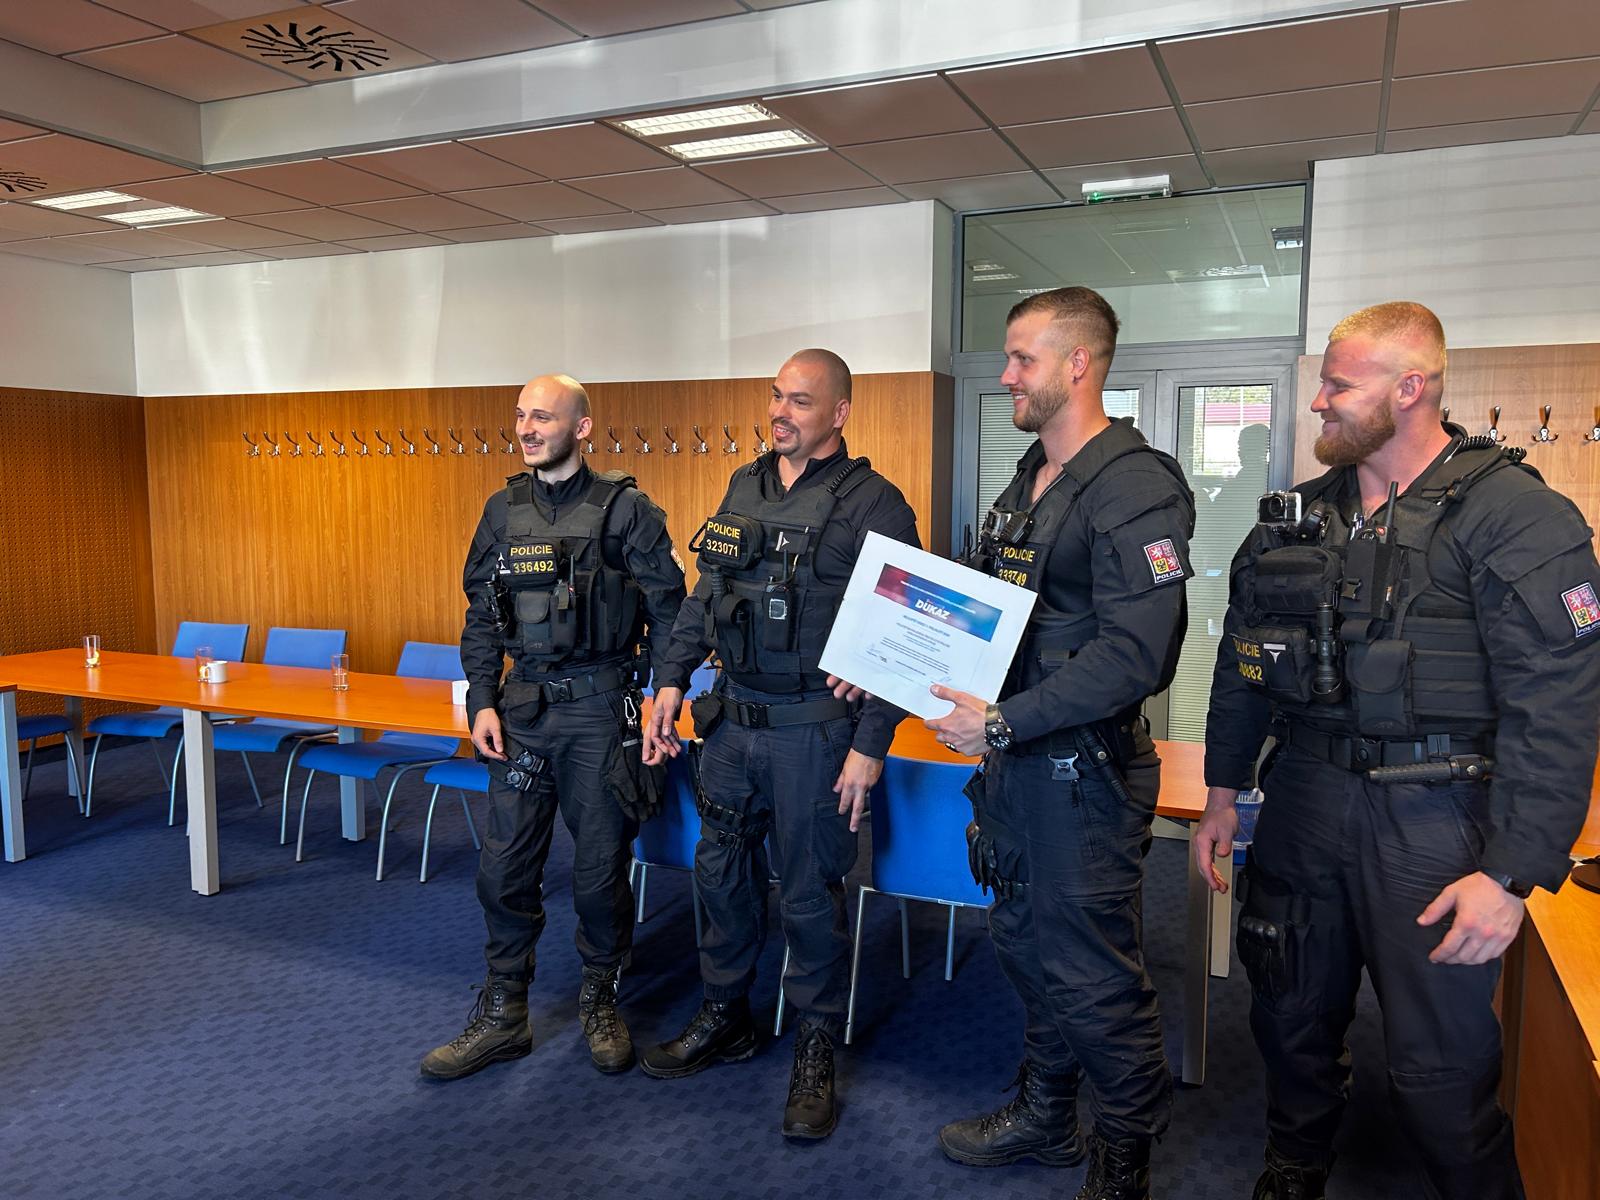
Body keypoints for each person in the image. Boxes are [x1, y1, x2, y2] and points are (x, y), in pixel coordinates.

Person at [1193, 301, 1600, 1200]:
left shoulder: (1515, 516)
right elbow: (1242, 664)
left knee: (1439, 1070)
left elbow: (1559, 707)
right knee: (1288, 1015)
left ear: (1410, 388)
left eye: (1338, 385)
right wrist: (1222, 792)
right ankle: (1294, 1165)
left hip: (1435, 817)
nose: (1319, 402)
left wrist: (1511, 875)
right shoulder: (1296, 519)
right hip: (1302, 799)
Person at [927, 287, 1194, 1200]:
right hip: (1017, 769)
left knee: (1091, 976)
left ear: (1078, 364)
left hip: (1083, 777)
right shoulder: (1030, 477)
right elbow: (992, 606)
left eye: (1022, 359)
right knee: (1023, 946)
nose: (1006, 374)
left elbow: (1137, 655)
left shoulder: (1135, 486)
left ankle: (1124, 1157)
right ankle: (1048, 1115)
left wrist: (1000, 721)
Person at [638, 348, 919, 1140]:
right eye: (775, 397)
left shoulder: (876, 504)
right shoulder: (744, 486)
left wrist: (871, 744)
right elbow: (706, 595)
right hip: (732, 725)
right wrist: (670, 679)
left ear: (839, 413)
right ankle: (725, 1013)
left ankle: (816, 1042)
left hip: (816, 736)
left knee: (809, 894)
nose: (780, 413)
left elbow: (904, 634)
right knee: (721, 875)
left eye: (799, 400)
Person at [421, 374, 685, 1080]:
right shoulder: (502, 511)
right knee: (503, 869)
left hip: (599, 715)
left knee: (598, 875)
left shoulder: (626, 510)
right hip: (522, 713)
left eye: (542, 416)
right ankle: (504, 1013)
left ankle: (601, 998)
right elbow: (481, 615)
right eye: (520, 416)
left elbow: (670, 612)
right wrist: (482, 699)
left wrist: (663, 697)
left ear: (582, 427)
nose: (527, 428)